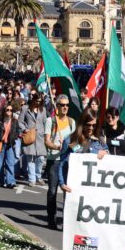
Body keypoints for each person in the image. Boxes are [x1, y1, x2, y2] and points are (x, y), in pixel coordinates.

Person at [56, 109, 111, 250]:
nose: (90, 128)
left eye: (93, 125)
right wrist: (62, 183)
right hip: (78, 192)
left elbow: (110, 166)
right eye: (87, 125)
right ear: (82, 124)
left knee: (98, 227)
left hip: (97, 193)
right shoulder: (71, 141)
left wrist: (105, 156)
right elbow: (62, 164)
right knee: (83, 227)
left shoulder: (100, 141)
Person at [45, 94, 76, 229]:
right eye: (62, 105)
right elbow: (47, 141)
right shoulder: (50, 121)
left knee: (66, 192)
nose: (65, 107)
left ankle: (66, 221)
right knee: (52, 191)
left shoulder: (71, 122)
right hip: (54, 160)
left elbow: (76, 142)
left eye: (67, 105)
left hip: (66, 161)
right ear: (57, 106)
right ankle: (51, 219)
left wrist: (69, 145)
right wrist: (57, 146)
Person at [18, 93, 48, 186]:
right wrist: (25, 129)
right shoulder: (25, 109)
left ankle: (38, 176)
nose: (38, 103)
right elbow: (20, 121)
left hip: (40, 137)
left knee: (41, 158)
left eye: (40, 101)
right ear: (33, 99)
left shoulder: (43, 110)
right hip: (30, 136)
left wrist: (46, 134)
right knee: (30, 159)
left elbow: (45, 122)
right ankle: (32, 179)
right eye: (37, 101)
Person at [0, 103, 19, 188]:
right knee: (0, 163)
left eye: (11, 110)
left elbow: (17, 131)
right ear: (4, 110)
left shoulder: (14, 121)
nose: (9, 111)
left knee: (10, 163)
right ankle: (0, 180)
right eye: (7, 110)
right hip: (1, 144)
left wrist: (14, 137)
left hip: (10, 144)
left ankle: (10, 181)